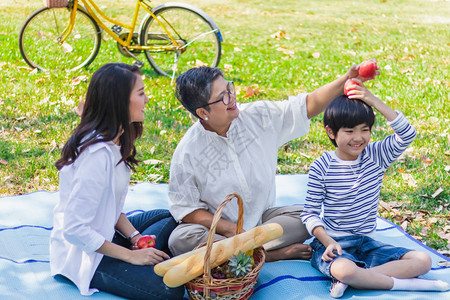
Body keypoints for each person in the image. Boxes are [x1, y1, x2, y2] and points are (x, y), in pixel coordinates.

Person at [167, 62, 378, 261]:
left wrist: (347, 80)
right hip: (219, 230)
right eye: (223, 96)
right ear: (203, 112)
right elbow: (187, 210)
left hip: (264, 222)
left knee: (305, 219)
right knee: (180, 240)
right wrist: (230, 229)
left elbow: (306, 106)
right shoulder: (187, 153)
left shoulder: (257, 117)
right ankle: (270, 256)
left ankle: (239, 255)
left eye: (230, 89)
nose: (232, 98)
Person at [300, 79, 449, 298]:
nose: (358, 138)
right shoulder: (322, 166)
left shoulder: (376, 156)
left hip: (368, 243)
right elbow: (310, 213)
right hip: (334, 244)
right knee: (344, 268)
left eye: (365, 130)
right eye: (349, 131)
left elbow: (407, 134)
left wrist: (371, 99)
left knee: (423, 260)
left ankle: (354, 280)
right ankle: (403, 284)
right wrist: (328, 241)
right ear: (331, 132)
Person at [49, 63, 185, 300]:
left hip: (108, 233)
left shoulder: (117, 138)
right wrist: (130, 255)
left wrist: (135, 238)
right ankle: (140, 261)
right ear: (120, 101)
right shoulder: (96, 157)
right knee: (171, 290)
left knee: (171, 215)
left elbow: (109, 207)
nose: (147, 100)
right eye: (141, 93)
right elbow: (74, 230)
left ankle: (146, 256)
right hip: (87, 256)